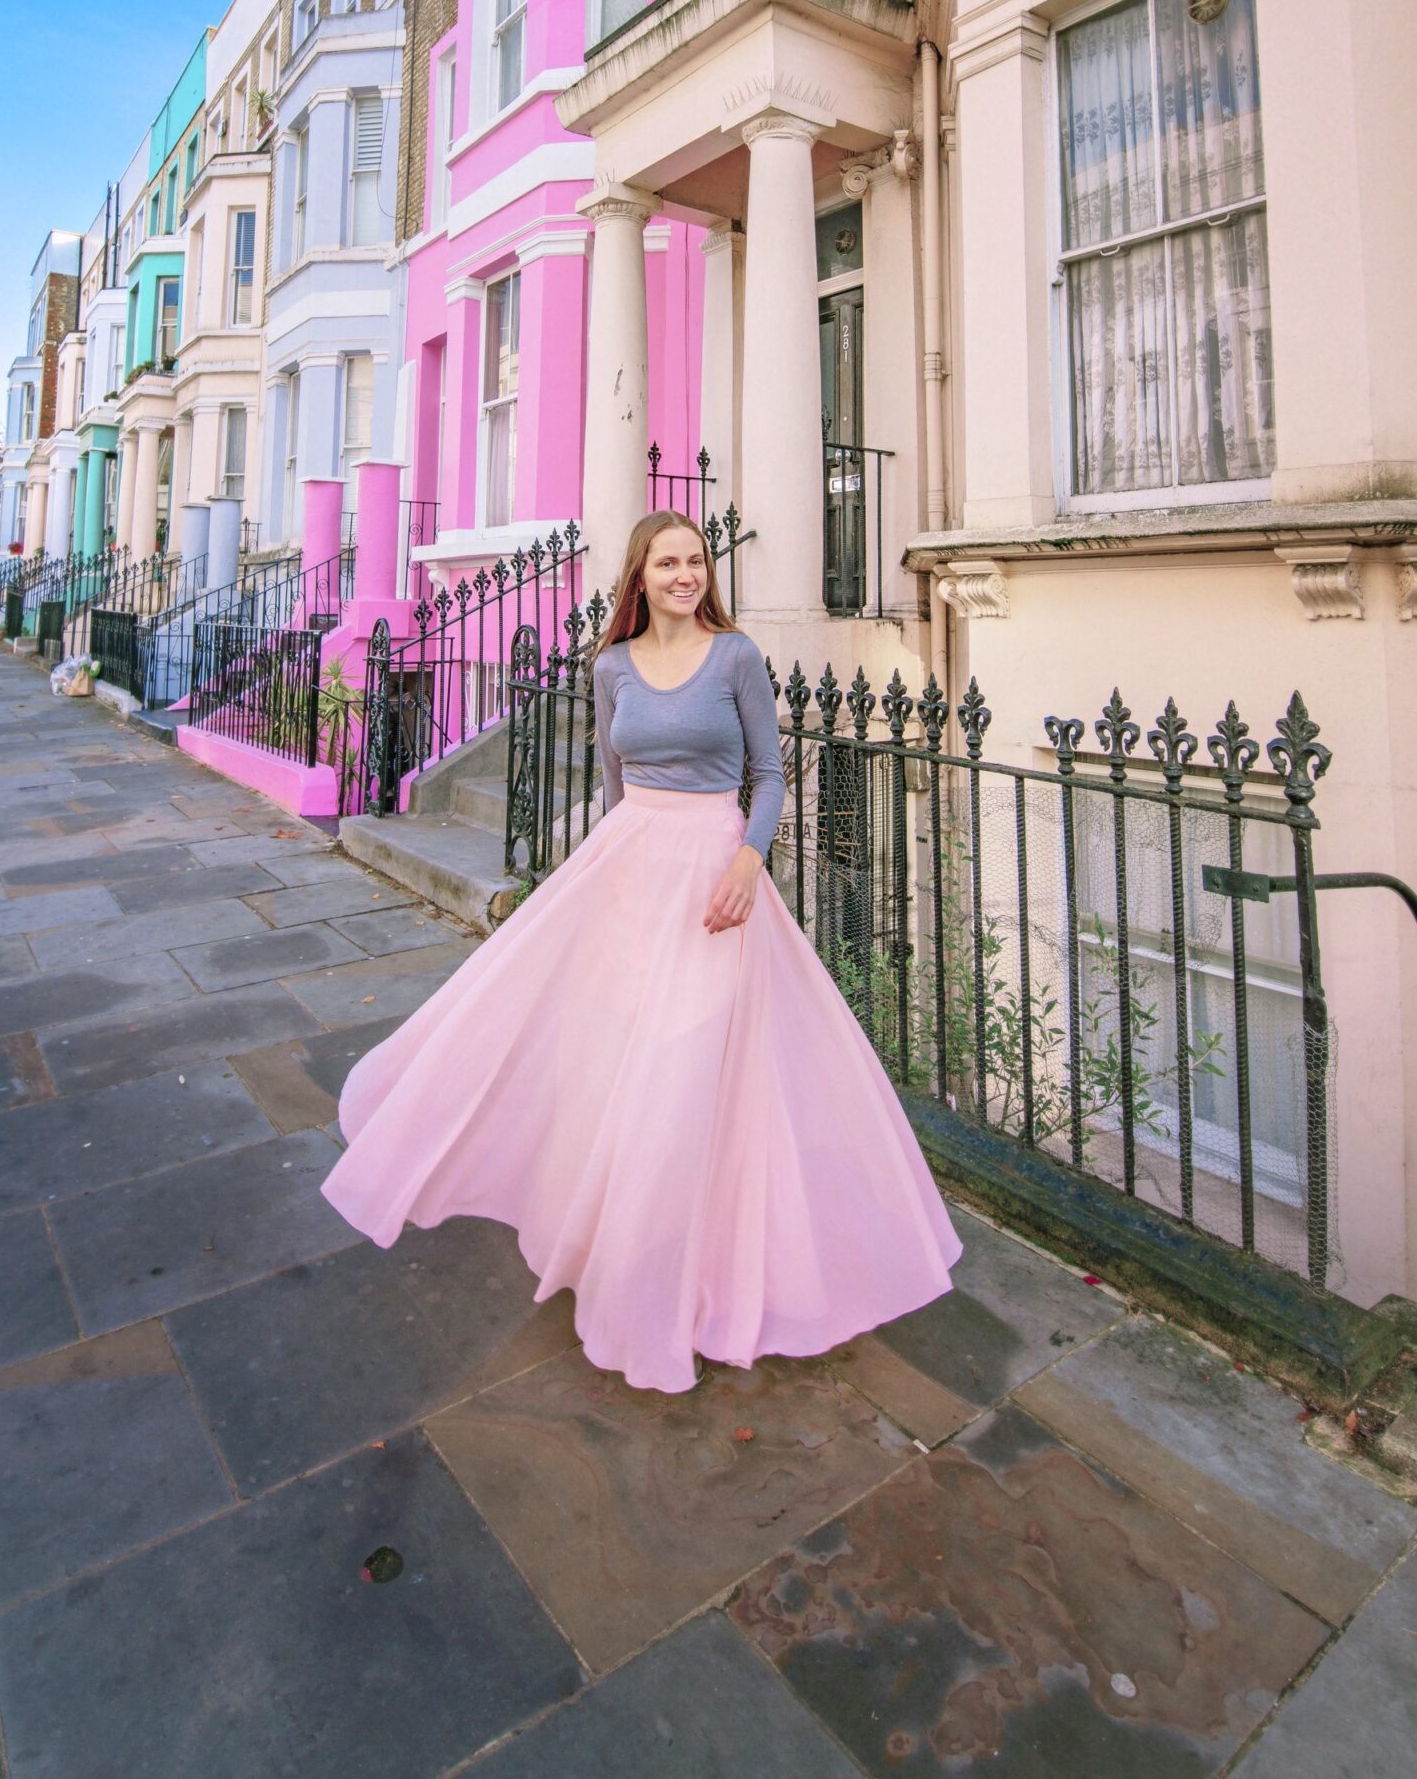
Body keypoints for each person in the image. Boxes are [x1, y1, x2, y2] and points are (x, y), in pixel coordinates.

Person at [320, 509, 960, 1394]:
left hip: (714, 883)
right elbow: (618, 784)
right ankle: (624, 1250)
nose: (685, 574)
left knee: (690, 1064)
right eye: (668, 562)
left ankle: (689, 1276)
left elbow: (768, 775)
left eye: (696, 560)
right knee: (613, 1059)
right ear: (640, 575)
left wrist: (746, 857)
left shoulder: (735, 657)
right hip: (630, 874)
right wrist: (619, 873)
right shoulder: (610, 668)